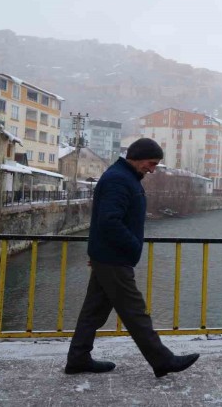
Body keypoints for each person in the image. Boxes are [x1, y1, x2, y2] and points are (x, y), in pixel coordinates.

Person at [65, 138, 200, 378]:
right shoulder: (119, 179)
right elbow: (109, 221)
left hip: (107, 256)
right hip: (114, 259)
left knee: (93, 312)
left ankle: (78, 358)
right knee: (135, 311)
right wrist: (133, 245)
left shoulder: (123, 177)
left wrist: (97, 252)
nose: (152, 169)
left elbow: (104, 220)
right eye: (151, 163)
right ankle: (162, 360)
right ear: (137, 157)